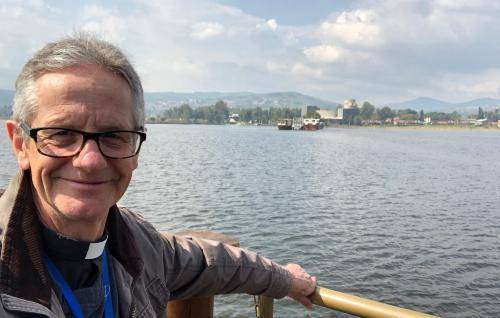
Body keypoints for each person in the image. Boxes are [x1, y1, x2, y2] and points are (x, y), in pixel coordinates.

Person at [0, 34, 316, 317]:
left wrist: (287, 280)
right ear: (20, 144)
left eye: (114, 135)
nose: (90, 160)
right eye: (62, 133)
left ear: (136, 148)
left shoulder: (139, 246)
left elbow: (214, 263)